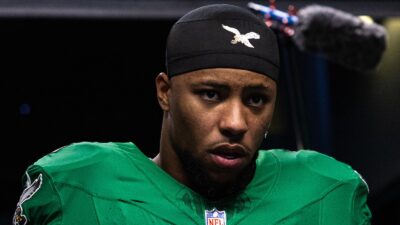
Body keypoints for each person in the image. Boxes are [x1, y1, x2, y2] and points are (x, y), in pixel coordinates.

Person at [13, 3, 371, 225]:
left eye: (256, 99)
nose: (235, 123)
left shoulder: (328, 191)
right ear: (165, 92)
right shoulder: (77, 184)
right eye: (211, 94)